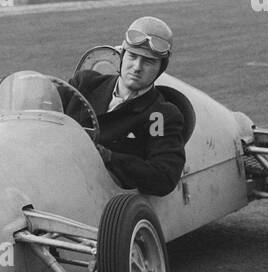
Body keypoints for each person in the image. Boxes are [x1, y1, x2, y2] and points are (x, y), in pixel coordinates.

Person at [66, 17, 185, 197]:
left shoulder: (159, 115)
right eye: (132, 56)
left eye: (148, 61)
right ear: (122, 56)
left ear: (161, 68)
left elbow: (163, 176)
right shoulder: (84, 84)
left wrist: (109, 157)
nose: (137, 67)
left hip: (101, 197)